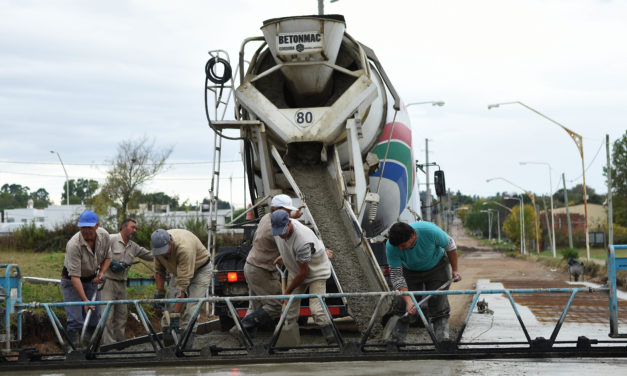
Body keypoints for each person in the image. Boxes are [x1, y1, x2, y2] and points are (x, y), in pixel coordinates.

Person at [237, 194, 305, 337]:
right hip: (261, 270)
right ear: (277, 209)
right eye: (286, 211)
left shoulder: (266, 218)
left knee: (255, 306)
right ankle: (243, 327)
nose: (288, 214)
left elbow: (282, 221)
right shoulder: (272, 230)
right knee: (276, 305)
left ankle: (243, 339)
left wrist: (293, 216)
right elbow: (288, 241)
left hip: (251, 266)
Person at [386, 221, 462, 341]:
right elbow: (396, 276)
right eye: (398, 247)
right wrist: (408, 300)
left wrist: (455, 270)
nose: (400, 249)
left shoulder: (430, 231)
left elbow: (450, 246)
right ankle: (396, 340)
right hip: (410, 270)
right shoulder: (392, 246)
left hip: (437, 266)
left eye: (403, 245)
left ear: (414, 235)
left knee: (438, 302)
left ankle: (442, 339)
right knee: (402, 304)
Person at [271, 209, 335, 344]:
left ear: (289, 223)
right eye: (278, 232)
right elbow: (288, 246)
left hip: (316, 271)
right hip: (296, 270)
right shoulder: (278, 230)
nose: (280, 235)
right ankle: (288, 341)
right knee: (288, 309)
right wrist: (285, 255)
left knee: (316, 308)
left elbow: (303, 273)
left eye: (283, 231)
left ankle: (333, 338)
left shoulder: (302, 239)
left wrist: (288, 292)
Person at [150, 228, 212, 343]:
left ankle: (186, 344)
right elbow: (159, 271)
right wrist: (160, 293)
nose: (163, 254)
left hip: (200, 269)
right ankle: (169, 342)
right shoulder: (157, 248)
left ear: (171, 242)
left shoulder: (184, 249)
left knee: (192, 307)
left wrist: (176, 314)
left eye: (165, 250)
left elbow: (182, 288)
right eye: (160, 252)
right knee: (170, 305)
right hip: (178, 270)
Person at [60, 210, 111, 346]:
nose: (86, 231)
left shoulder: (104, 236)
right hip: (72, 281)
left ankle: (91, 348)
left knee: (94, 318)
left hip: (92, 279)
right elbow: (75, 276)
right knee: (76, 319)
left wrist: (101, 273)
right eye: (83, 228)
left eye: (89, 227)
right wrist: (85, 301)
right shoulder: (74, 245)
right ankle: (73, 350)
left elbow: (108, 257)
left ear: (97, 226)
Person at [101, 218, 154, 344]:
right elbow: (98, 252)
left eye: (136, 228)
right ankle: (108, 344)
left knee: (121, 314)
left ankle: (120, 341)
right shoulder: (111, 239)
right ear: (124, 227)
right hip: (108, 281)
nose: (134, 230)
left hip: (122, 283)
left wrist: (162, 251)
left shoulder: (133, 246)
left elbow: (150, 255)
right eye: (132, 227)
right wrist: (110, 263)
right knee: (107, 314)